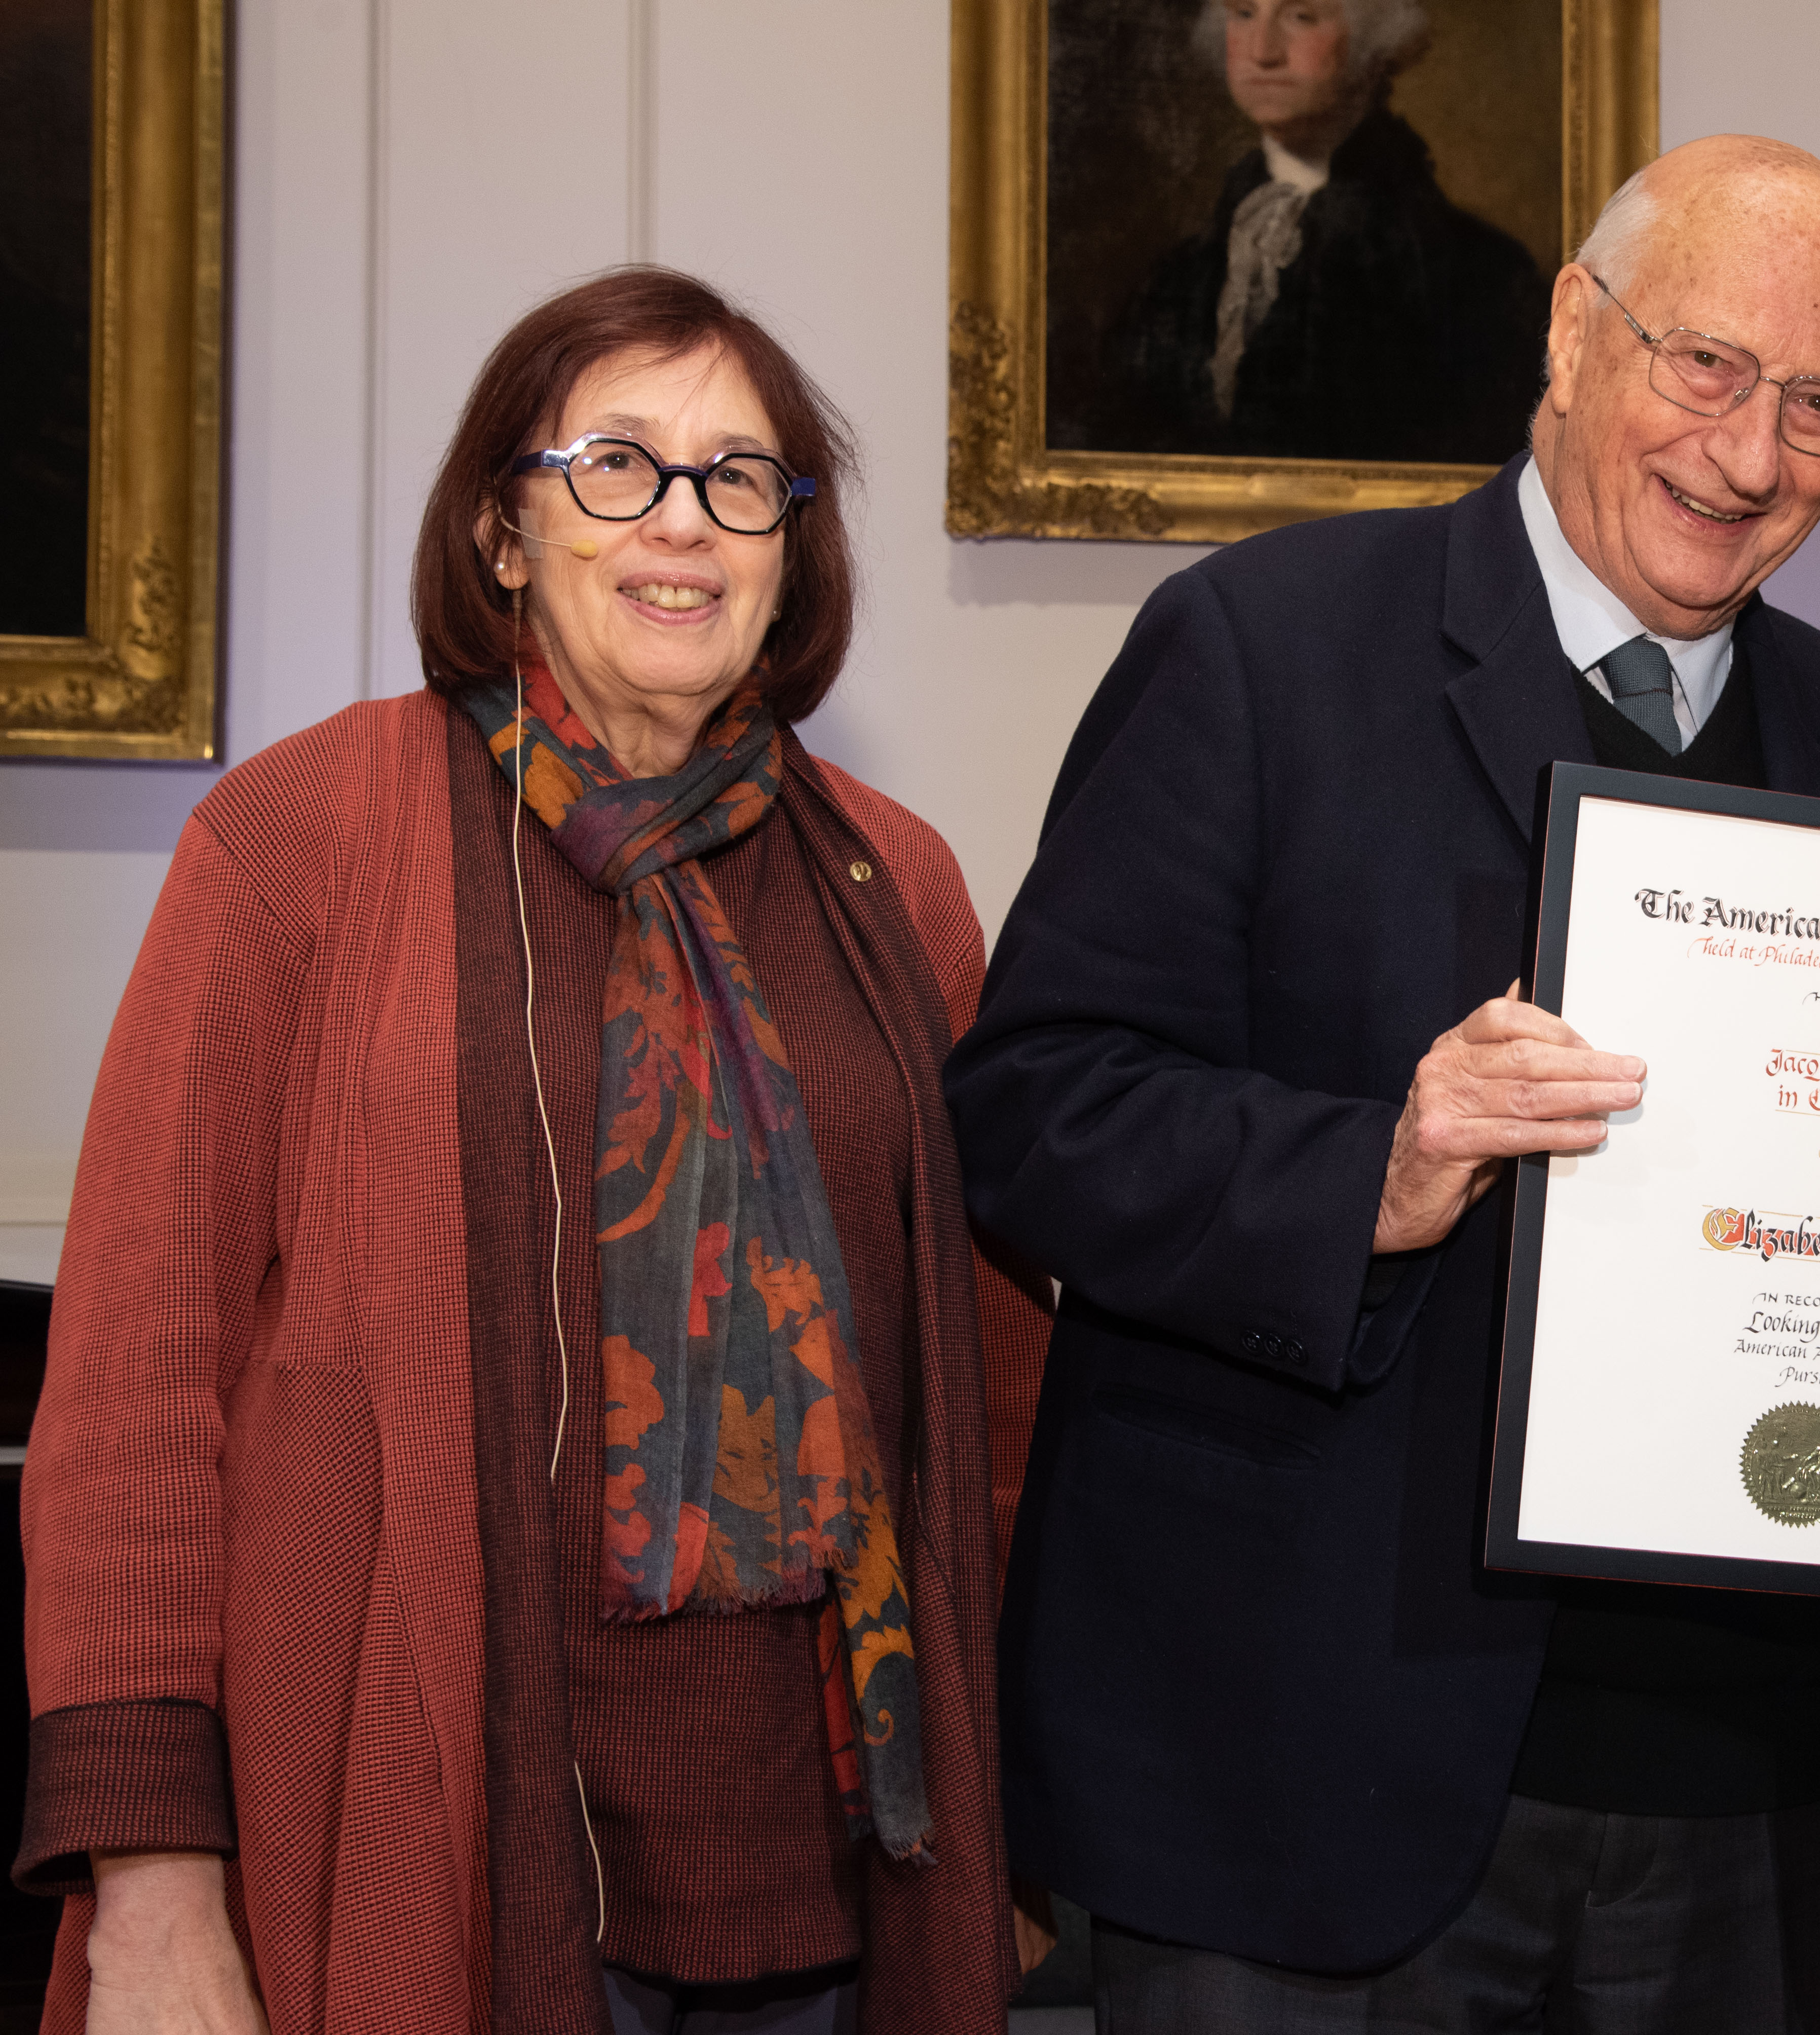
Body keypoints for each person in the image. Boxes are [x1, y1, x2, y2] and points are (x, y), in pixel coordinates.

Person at [946, 135, 1820, 2030]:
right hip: (1303, 1794)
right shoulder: (1261, 649)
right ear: (1575, 331)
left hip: (1752, 1815)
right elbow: (1032, 1115)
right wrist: (1375, 1172)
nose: (1749, 458)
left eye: (1819, 406)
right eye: (1708, 368)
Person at [16, 268, 1052, 2034]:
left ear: (789, 550)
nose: (685, 522)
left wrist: (1020, 1801)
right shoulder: (299, 842)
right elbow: (136, 1386)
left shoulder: (899, 884)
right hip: (440, 1829)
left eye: (743, 478)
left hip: (832, 1852)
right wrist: (152, 1886)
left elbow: (994, 1386)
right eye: (617, 465)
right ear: (503, 531)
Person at [1101, 0, 1550, 463]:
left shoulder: (1477, 275)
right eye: (1244, 14)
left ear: (1375, 40)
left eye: (1302, 17)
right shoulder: (1176, 277)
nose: (1263, 52)